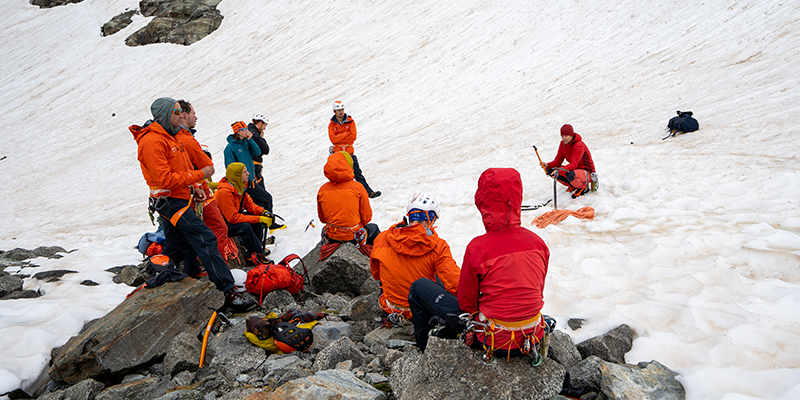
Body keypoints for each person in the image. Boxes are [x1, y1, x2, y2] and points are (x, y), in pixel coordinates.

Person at [407, 168, 550, 357]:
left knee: (421, 286)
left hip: (494, 340)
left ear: (483, 205)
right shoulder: (538, 243)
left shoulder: (478, 247)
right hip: (532, 336)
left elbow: (467, 304)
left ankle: (424, 349)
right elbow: (536, 289)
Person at [130, 97, 255, 311]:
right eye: (176, 112)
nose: (181, 115)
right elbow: (165, 179)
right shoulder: (152, 141)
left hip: (177, 199)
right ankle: (229, 292)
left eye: (181, 111)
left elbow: (179, 170)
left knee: (177, 245)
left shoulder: (170, 137)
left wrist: (195, 187)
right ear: (165, 115)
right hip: (170, 202)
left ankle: (162, 278)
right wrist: (201, 175)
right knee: (205, 237)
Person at [370, 192, 460, 326]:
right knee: (440, 278)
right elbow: (455, 285)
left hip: (390, 307)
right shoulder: (438, 245)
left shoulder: (383, 238)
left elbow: (376, 274)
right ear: (430, 219)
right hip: (420, 311)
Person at [175, 100, 234, 266]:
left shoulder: (178, 138)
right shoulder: (185, 139)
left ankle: (194, 267)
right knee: (218, 228)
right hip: (198, 192)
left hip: (189, 192)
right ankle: (219, 268)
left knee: (190, 233)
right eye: (193, 113)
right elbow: (205, 165)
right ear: (184, 115)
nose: (196, 117)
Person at [224, 121, 283, 232]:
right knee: (253, 206)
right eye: (244, 129)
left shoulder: (246, 142)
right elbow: (230, 168)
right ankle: (261, 230)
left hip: (251, 182)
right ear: (238, 132)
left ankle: (270, 224)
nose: (247, 131)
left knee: (266, 199)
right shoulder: (230, 148)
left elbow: (257, 152)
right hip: (241, 185)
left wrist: (251, 140)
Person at [214, 162, 273, 265]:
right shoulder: (224, 192)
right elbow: (232, 218)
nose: (248, 173)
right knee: (245, 226)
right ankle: (258, 255)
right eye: (245, 172)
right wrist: (258, 218)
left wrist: (263, 212)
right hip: (220, 225)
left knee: (255, 221)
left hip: (228, 219)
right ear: (237, 176)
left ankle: (254, 253)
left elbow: (249, 205)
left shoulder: (239, 187)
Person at [317, 151, 380, 246]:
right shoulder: (358, 187)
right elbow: (366, 218)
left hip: (331, 236)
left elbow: (323, 219)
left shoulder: (322, 189)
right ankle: (370, 257)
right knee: (374, 229)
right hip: (352, 237)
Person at [328, 100, 381, 198]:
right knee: (338, 175)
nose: (341, 112)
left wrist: (340, 136)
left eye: (342, 109)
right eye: (338, 110)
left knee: (357, 173)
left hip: (349, 153)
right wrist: (346, 134)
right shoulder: (331, 125)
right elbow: (333, 140)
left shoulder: (351, 122)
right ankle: (338, 195)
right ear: (334, 111)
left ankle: (368, 192)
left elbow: (353, 137)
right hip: (338, 154)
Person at [542, 124, 596, 198]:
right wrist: (547, 165)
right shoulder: (563, 144)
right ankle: (573, 185)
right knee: (550, 171)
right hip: (575, 170)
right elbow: (558, 160)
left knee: (569, 174)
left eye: (566, 136)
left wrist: (559, 170)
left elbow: (574, 164)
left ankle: (583, 187)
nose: (564, 138)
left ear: (571, 135)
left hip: (586, 172)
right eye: (562, 136)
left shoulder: (579, 145)